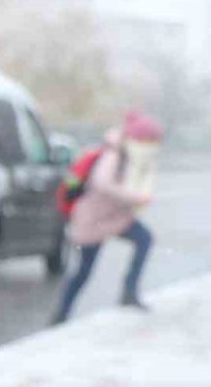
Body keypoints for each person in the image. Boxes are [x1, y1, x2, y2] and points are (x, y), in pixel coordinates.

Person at [53, 111, 164, 324]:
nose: (151, 145)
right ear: (137, 138)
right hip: (93, 219)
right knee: (83, 272)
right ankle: (61, 315)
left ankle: (129, 292)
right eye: (148, 140)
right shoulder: (113, 153)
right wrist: (135, 196)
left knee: (144, 239)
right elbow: (102, 183)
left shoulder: (128, 153)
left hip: (114, 217)